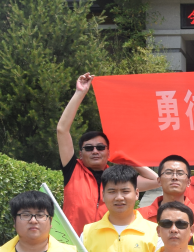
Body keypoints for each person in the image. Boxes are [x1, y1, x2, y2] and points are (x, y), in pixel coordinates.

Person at [56, 73, 158, 237]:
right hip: (74, 244)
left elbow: (157, 181)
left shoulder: (118, 176)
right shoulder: (73, 170)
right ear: (80, 154)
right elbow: (62, 130)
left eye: (100, 147)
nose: (95, 151)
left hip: (107, 242)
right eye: (89, 148)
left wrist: (129, 161)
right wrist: (80, 93)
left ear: (108, 152)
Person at [139, 154, 194, 227]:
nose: (174, 177)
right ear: (159, 180)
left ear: (188, 182)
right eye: (168, 173)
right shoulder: (139, 216)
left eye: (180, 173)